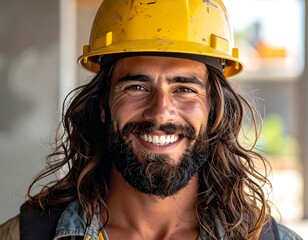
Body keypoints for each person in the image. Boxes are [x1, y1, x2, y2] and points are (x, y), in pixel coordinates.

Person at [0, 0, 303, 239]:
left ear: (213, 109)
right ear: (103, 104)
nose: (160, 112)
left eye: (184, 88)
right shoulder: (25, 236)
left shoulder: (271, 239)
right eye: (137, 87)